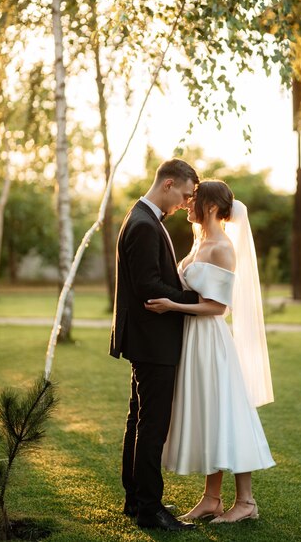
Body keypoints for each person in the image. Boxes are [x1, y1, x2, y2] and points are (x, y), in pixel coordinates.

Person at [145, 179, 275, 524]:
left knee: (224, 415)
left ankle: (245, 502)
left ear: (213, 208)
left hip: (210, 341)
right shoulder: (200, 241)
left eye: (195, 200)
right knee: (208, 416)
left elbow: (218, 308)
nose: (188, 204)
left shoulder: (222, 248)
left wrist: (172, 305)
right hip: (192, 340)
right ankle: (211, 499)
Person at [109, 158, 200, 532]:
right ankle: (150, 508)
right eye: (185, 194)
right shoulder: (145, 224)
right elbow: (148, 286)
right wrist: (193, 300)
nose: (185, 202)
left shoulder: (142, 216)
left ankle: (136, 497)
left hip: (144, 338)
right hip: (152, 340)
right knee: (152, 425)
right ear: (168, 184)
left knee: (139, 419)